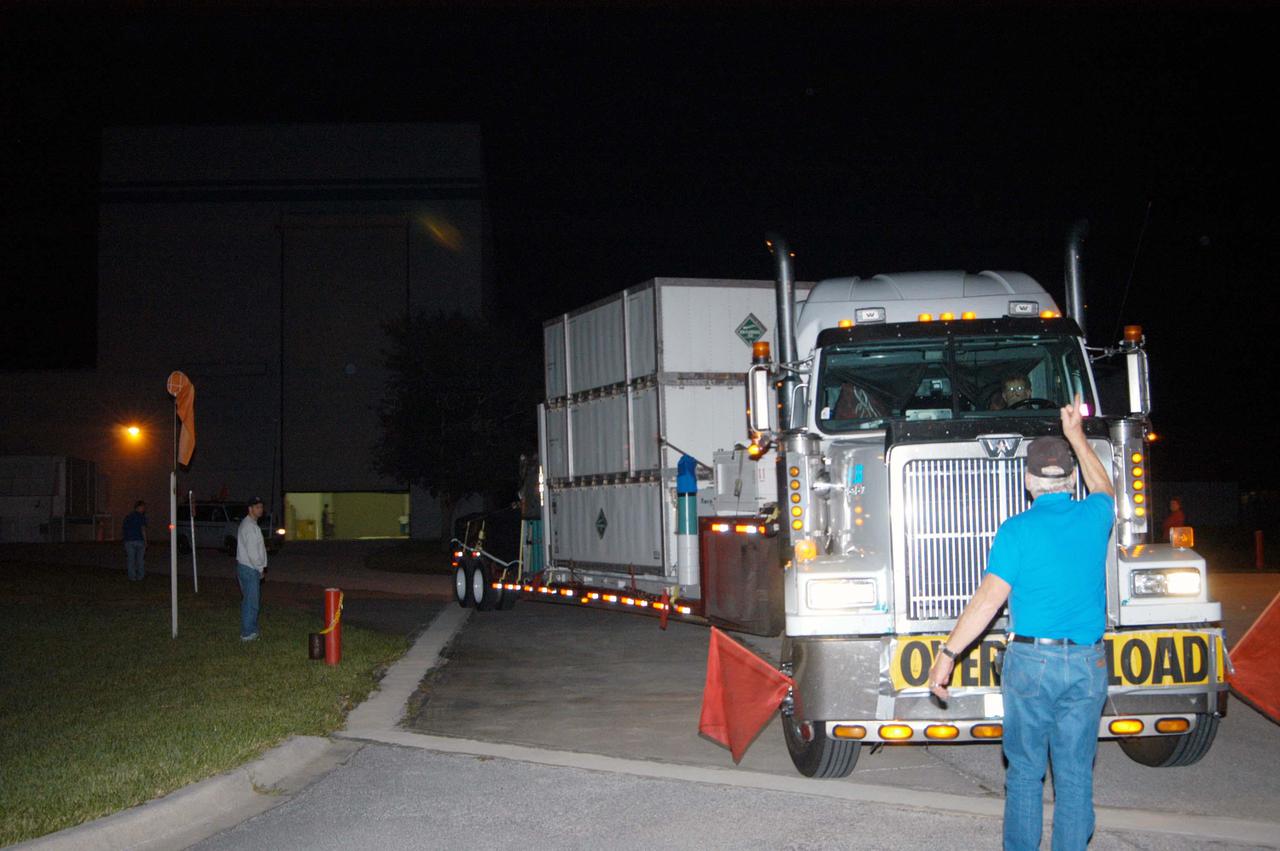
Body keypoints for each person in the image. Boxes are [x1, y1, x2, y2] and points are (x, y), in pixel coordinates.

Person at [927, 394, 1115, 851]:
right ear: (1070, 480)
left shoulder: (1017, 529)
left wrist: (948, 655)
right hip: (1087, 663)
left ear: (1028, 481)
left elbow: (989, 600)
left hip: (1032, 662)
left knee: (1027, 774)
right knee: (1074, 776)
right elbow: (1105, 486)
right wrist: (1076, 435)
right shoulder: (1096, 514)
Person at [235, 497, 269, 641]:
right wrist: (260, 568)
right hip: (249, 569)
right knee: (251, 602)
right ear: (250, 509)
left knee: (249, 600)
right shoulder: (250, 527)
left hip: (245, 567)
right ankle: (248, 633)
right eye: (257, 507)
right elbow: (252, 553)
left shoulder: (249, 524)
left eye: (261, 507)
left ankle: (251, 630)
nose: (260, 510)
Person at [122, 500, 148, 581]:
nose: (144, 509)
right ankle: (140, 576)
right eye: (143, 507)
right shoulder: (141, 517)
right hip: (139, 540)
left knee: (131, 559)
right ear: (139, 507)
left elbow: (124, 529)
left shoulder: (128, 517)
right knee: (140, 559)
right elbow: (143, 529)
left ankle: (132, 577)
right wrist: (145, 541)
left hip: (129, 540)